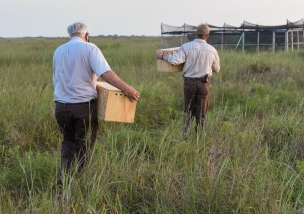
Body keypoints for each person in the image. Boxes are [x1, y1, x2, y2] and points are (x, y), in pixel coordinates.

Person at [53, 22, 140, 185]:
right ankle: (79, 180)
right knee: (84, 143)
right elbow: (106, 74)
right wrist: (127, 89)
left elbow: (65, 76)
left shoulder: (59, 51)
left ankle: (63, 178)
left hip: (61, 107)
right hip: (82, 106)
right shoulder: (90, 48)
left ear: (70, 35)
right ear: (86, 35)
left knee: (67, 140)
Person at [155, 24, 220, 137]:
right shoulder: (212, 50)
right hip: (204, 83)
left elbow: (174, 60)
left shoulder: (186, 46)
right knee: (202, 111)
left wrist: (161, 56)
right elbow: (216, 69)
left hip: (189, 83)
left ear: (195, 34)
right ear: (207, 36)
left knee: (188, 110)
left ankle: (185, 136)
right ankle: (200, 136)